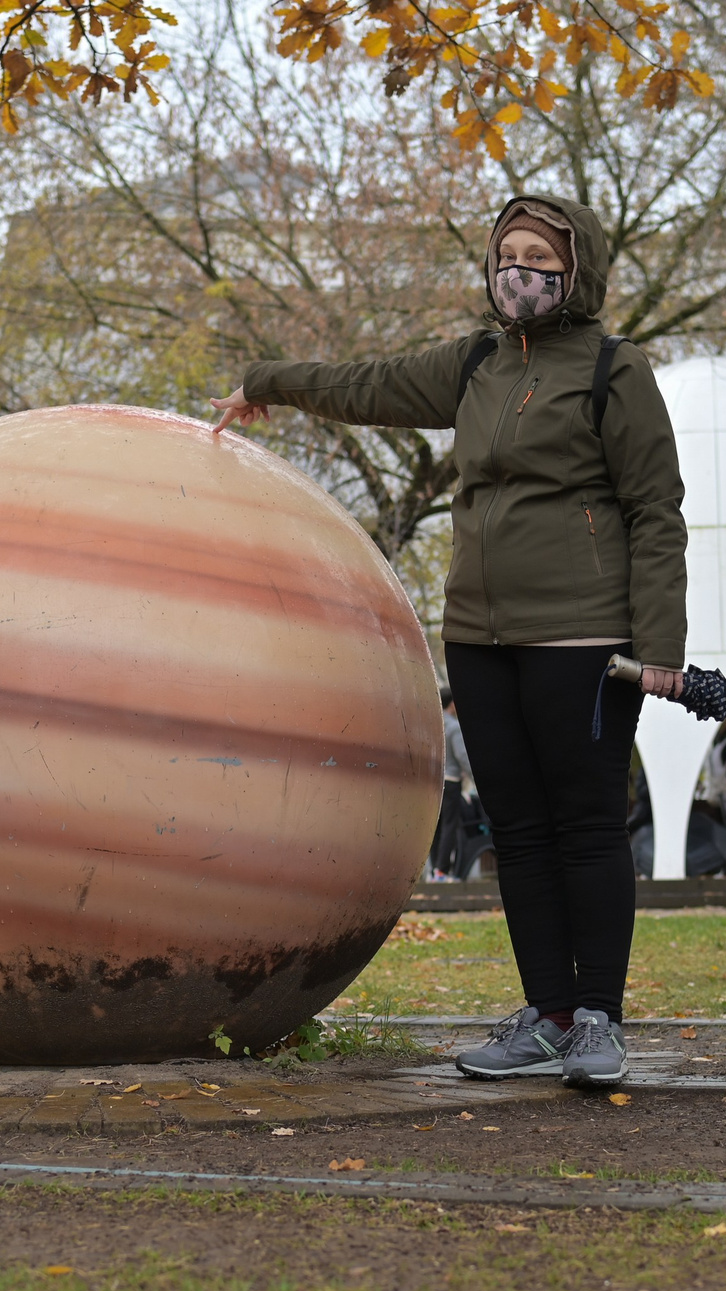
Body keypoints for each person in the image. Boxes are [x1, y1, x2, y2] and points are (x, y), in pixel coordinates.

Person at [210, 193, 687, 1088]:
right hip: (480, 637)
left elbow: (657, 511)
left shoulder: (616, 371)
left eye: (540, 256)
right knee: (519, 828)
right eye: (507, 254)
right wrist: (266, 381)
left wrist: (659, 639)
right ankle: (546, 1013)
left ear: (576, 268)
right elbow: (370, 383)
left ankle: (598, 1022)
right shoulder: (477, 363)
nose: (520, 272)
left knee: (585, 827)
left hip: (583, 642)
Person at [427, 688, 476, 878]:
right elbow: (463, 757)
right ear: (452, 704)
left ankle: (433, 871)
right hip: (452, 780)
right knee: (449, 825)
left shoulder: (434, 725)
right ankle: (442, 869)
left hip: (434, 783)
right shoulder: (453, 727)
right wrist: (474, 778)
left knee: (434, 828)